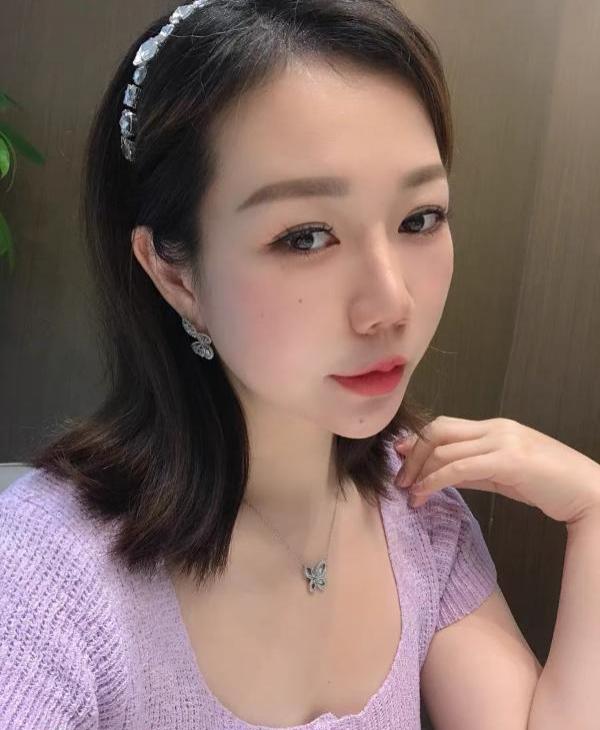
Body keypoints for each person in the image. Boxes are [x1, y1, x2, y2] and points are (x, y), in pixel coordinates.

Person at [0, 1, 542, 728]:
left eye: (419, 219)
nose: (391, 304)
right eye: (306, 237)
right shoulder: (40, 577)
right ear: (175, 275)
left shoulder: (419, 507)